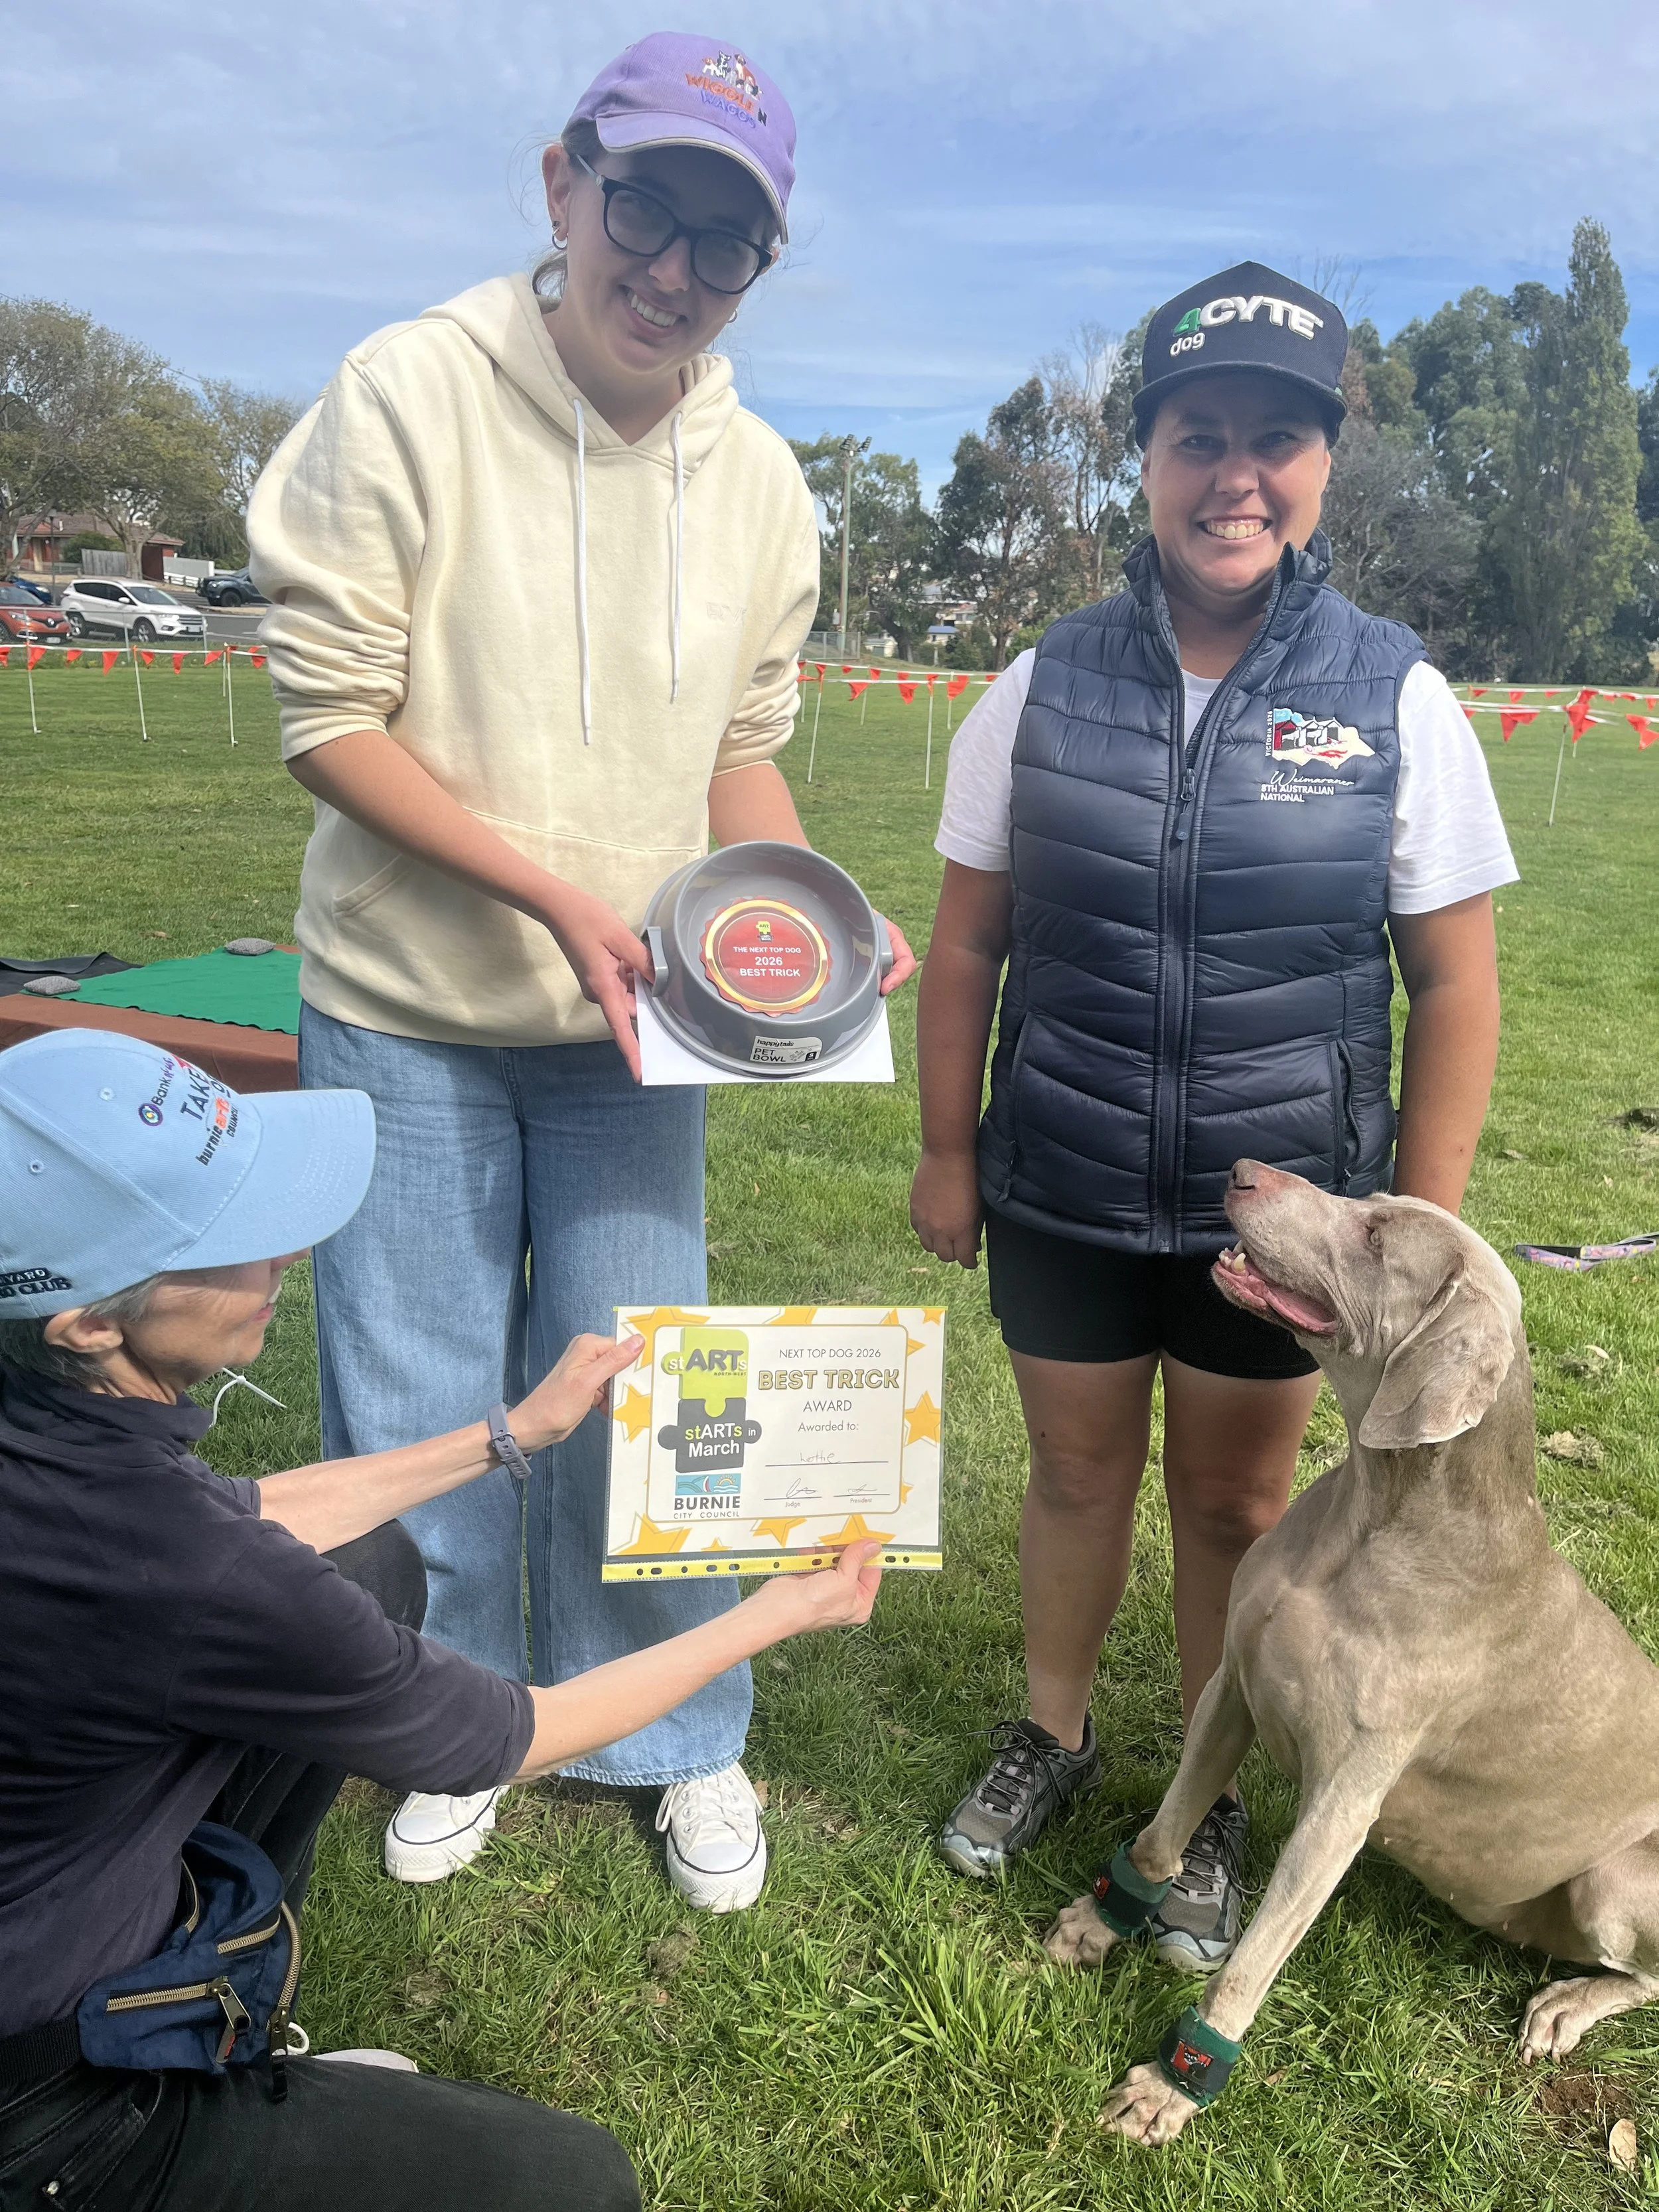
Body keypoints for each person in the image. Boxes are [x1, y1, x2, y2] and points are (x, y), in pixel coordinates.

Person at [246, 33, 914, 1907]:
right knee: (420, 1388)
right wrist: (552, 893)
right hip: (402, 1005)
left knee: (648, 1387)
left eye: (727, 243)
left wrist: (801, 920)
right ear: (563, 182)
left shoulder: (765, 478)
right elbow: (331, 723)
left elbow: (739, 756)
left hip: (641, 1028)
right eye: (648, 206)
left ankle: (668, 1733)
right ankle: (446, 1715)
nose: (675, 272)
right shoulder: (403, 391)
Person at [0, 1029, 882, 2210]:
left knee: (364, 1567)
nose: (288, 1255)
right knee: (572, 2186)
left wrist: (513, 1432)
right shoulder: (186, 1570)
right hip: (50, 2099)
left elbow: (250, 1515)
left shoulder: (62, 1444)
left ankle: (229, 2002)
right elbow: (514, 1735)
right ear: (90, 1324)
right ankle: (186, 2083)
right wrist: (774, 1612)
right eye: (230, 1244)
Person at [911, 263, 1516, 1968]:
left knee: (1238, 1513)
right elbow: (966, 937)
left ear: (1320, 465)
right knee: (1073, 1471)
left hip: (1285, 1224)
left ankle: (1206, 1795)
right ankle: (1050, 1727)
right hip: (1064, 1176)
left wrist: (1411, 1242)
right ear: (1144, 461)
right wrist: (951, 1147)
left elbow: (1452, 989)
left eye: (1273, 439)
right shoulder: (1039, 684)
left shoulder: (1393, 695)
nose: (1232, 475)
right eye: (1196, 437)